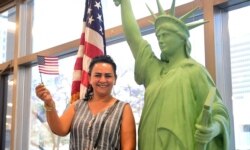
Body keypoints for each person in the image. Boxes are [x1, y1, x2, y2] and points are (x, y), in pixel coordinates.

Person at [114, 0, 230, 149]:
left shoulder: (194, 71)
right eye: (158, 36)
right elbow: (134, 38)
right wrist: (125, 3)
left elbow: (218, 110)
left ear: (181, 37)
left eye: (165, 35)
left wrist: (213, 128)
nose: (160, 40)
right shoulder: (154, 69)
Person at [35, 55, 136, 150]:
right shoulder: (77, 105)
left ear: (115, 79)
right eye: (97, 75)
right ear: (89, 78)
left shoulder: (124, 109)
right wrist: (49, 103)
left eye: (108, 76)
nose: (103, 79)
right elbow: (59, 129)